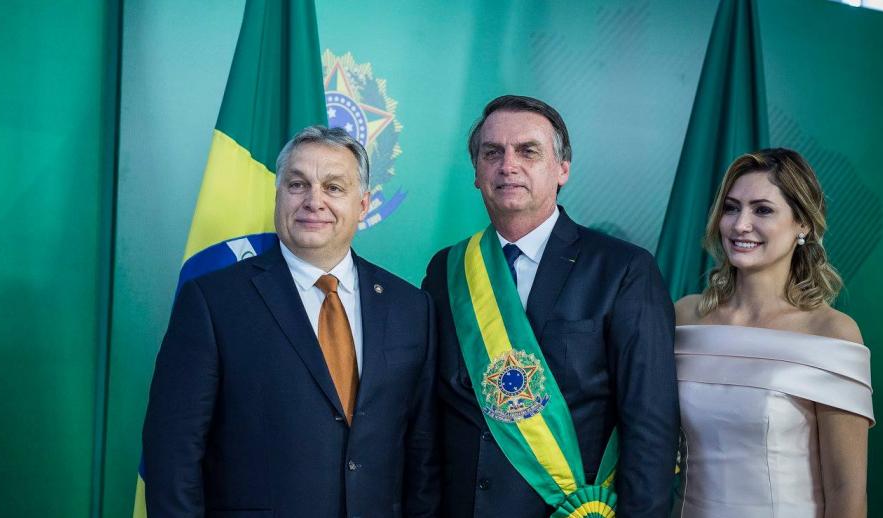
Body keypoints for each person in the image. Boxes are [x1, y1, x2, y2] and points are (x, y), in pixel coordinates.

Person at [143, 126, 439, 517]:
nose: (314, 201)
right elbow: (173, 455)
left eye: (334, 187)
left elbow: (423, 454)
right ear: (278, 194)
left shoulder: (410, 307)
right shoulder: (213, 301)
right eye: (298, 184)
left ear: (363, 205)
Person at [422, 95, 678, 517]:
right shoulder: (446, 270)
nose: (508, 165)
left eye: (528, 151)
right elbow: (429, 414)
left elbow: (651, 423)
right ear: (476, 172)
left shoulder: (623, 269)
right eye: (492, 153)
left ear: (562, 169)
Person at [674, 148, 873, 518]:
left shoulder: (832, 333)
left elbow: (847, 492)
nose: (740, 225)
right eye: (731, 208)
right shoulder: (684, 316)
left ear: (804, 224)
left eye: (762, 210)